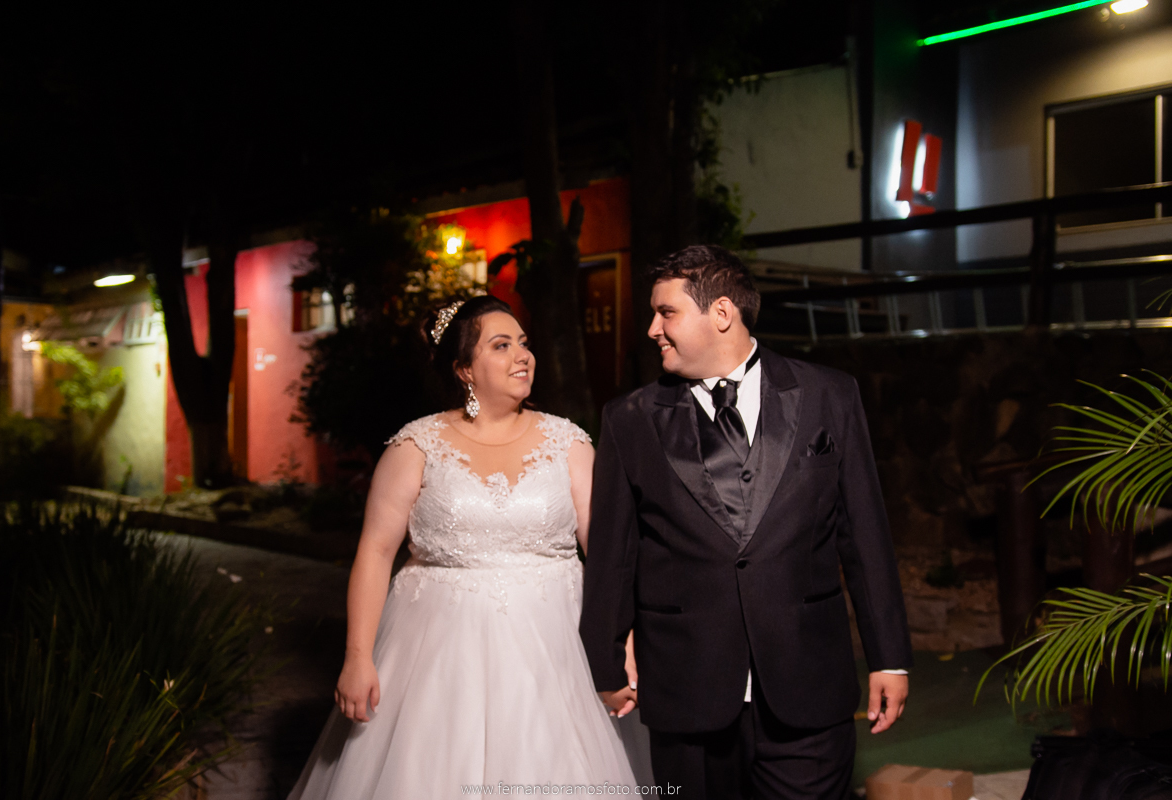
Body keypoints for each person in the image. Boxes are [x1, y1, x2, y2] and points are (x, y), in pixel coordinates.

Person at [580, 246, 913, 800]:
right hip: (688, 691)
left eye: (666, 313)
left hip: (808, 687)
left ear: (722, 313)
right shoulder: (629, 420)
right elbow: (614, 555)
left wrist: (891, 658)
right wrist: (606, 662)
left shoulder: (830, 394)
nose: (651, 330)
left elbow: (865, 533)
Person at [288, 296, 641, 799]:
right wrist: (357, 656)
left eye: (524, 343)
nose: (523, 355)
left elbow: (606, 557)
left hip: (556, 651)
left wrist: (622, 646)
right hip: (435, 659)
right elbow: (373, 553)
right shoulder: (416, 446)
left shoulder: (570, 443)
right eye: (502, 345)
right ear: (464, 369)